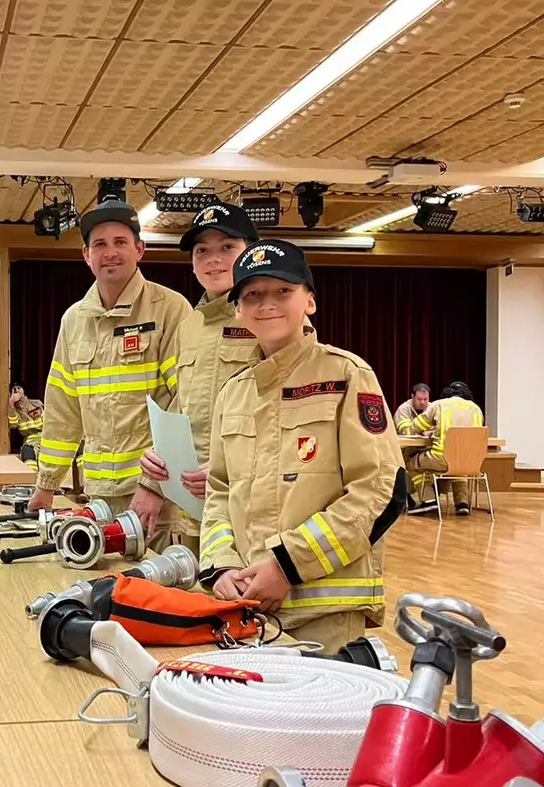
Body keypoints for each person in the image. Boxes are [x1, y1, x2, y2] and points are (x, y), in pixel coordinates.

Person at [197, 239, 407, 652]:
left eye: (283, 291)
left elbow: (381, 491)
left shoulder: (346, 375)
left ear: (309, 301)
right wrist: (220, 567)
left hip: (323, 615)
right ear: (238, 309)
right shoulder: (234, 392)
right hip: (245, 610)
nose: (267, 304)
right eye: (252, 294)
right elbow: (219, 492)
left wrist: (286, 564)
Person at [28, 199, 193, 551]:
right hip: (98, 493)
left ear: (140, 250)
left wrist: (153, 486)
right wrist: (46, 484)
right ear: (86, 255)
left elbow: (185, 404)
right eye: (100, 245)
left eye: (120, 242)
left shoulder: (171, 309)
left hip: (153, 499)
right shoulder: (74, 320)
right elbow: (62, 411)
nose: (110, 253)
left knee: (155, 596)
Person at [136, 203, 260, 555]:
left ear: (251, 251)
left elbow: (285, 415)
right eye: (202, 250)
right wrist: (154, 474)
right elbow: (182, 405)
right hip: (191, 507)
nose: (213, 259)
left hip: (247, 506)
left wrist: (228, 470)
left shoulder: (267, 317)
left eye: (227, 247)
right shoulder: (190, 325)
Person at [406, 380, 485, 516]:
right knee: (459, 467)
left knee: (411, 462)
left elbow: (416, 426)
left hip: (441, 457)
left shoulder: (440, 405)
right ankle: (462, 503)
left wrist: (417, 430)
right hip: (471, 462)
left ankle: (428, 500)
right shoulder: (476, 409)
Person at [395, 382, 431, 505]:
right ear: (412, 397)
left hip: (425, 448)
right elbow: (406, 431)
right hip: (404, 450)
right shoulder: (403, 409)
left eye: (425, 399)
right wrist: (425, 430)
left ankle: (429, 497)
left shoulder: (432, 408)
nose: (422, 402)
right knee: (412, 460)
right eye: (419, 399)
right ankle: (414, 495)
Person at [7, 382, 45, 470]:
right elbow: (13, 425)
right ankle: (32, 481)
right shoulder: (14, 410)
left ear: (23, 390)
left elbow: (47, 423)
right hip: (31, 441)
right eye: (14, 389)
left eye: (19, 388)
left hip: (46, 438)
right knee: (27, 453)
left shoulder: (36, 404)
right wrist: (11, 403)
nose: (17, 391)